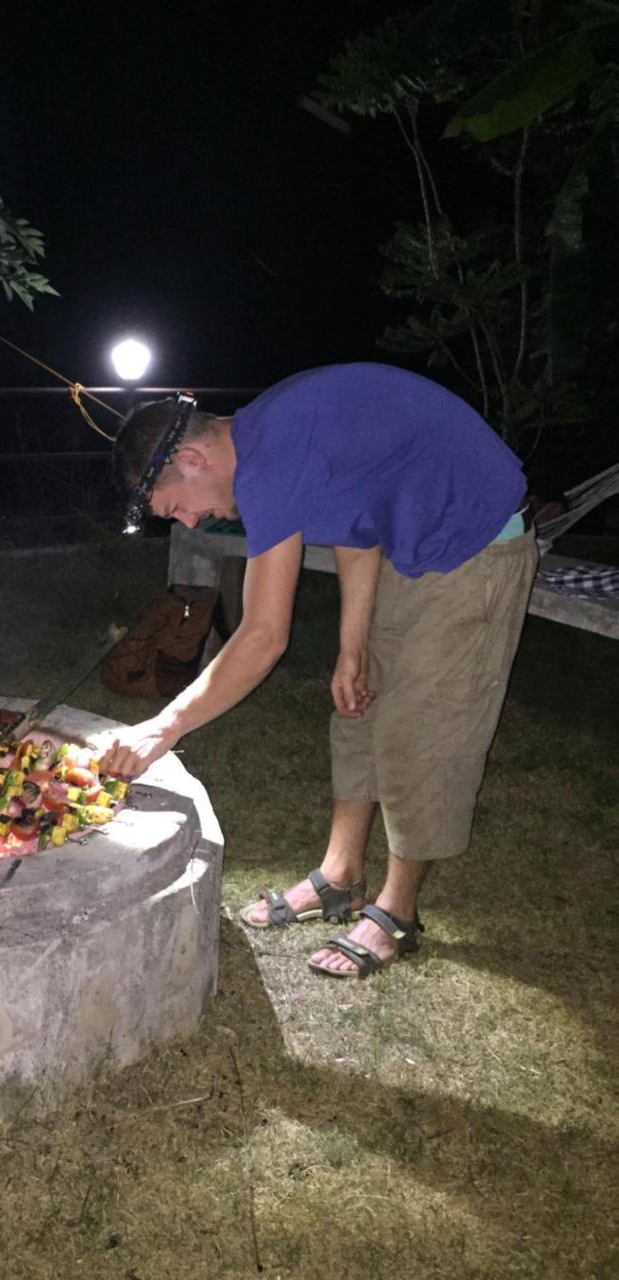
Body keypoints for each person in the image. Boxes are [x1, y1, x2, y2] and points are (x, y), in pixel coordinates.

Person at [99, 363, 538, 978]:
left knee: (422, 729)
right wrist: (352, 645)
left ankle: (399, 911)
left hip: (476, 541)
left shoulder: (268, 462)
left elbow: (262, 636)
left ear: (193, 459)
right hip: (412, 547)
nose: (192, 522)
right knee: (358, 707)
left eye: (179, 508)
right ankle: (340, 873)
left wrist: (164, 727)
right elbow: (356, 524)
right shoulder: (267, 434)